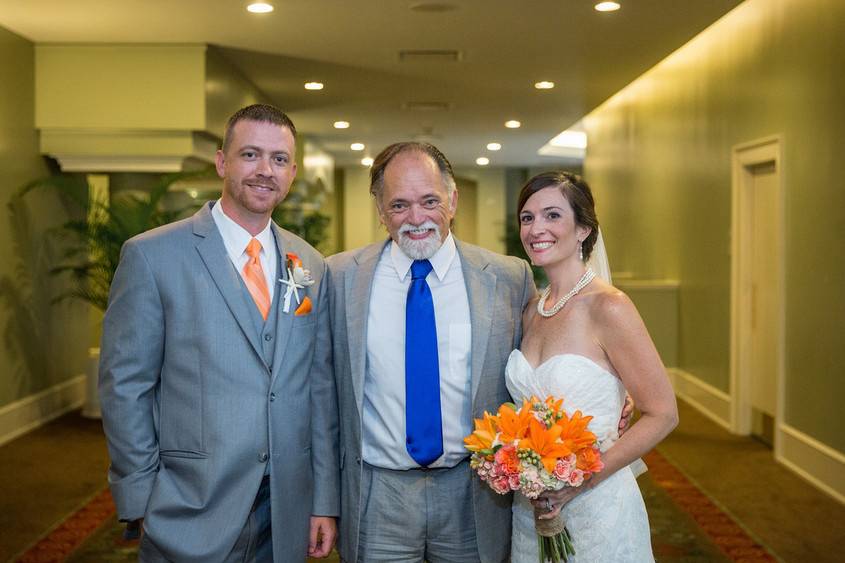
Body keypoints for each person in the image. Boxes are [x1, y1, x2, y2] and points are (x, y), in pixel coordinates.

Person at [99, 104, 339, 562]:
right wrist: (140, 496)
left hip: (286, 507)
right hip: (189, 506)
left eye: (280, 159)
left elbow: (319, 389)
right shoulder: (152, 256)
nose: (266, 171)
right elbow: (125, 386)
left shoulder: (309, 263)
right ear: (221, 161)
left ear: (292, 173)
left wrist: (323, 499)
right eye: (250, 155)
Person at [326, 142, 536, 562]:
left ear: (453, 201)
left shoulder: (509, 278)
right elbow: (319, 393)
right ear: (381, 211)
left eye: (429, 201)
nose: (416, 218)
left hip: (475, 492)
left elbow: (538, 367)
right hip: (377, 494)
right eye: (399, 205)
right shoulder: (339, 278)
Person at [507, 171, 678, 562]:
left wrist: (579, 482)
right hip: (532, 508)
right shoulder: (533, 309)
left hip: (597, 503)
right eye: (527, 217)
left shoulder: (610, 306)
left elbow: (664, 414)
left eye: (552, 215)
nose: (536, 229)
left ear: (583, 228)